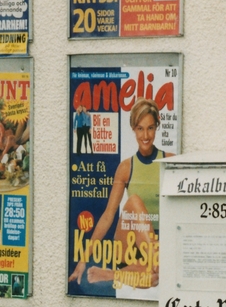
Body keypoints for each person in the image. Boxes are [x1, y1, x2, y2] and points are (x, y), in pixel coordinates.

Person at [68, 97, 172, 294]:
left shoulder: (169, 161)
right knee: (134, 202)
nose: (145, 135)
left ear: (157, 127)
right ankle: (158, 262)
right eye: (140, 129)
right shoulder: (126, 167)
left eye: (150, 128)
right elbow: (108, 215)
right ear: (133, 129)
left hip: (155, 248)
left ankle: (111, 274)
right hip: (129, 244)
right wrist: (83, 260)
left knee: (152, 278)